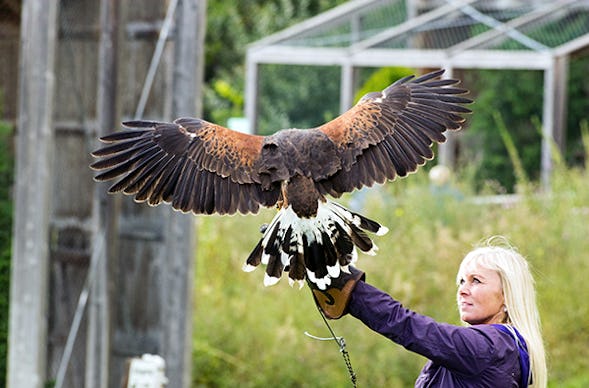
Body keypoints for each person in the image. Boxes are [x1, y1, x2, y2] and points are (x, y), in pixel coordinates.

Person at [310, 236, 547, 387]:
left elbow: (406, 325)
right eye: (461, 281)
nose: (463, 290)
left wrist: (348, 288)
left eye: (476, 281)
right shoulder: (501, 349)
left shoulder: (488, 348)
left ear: (507, 296)